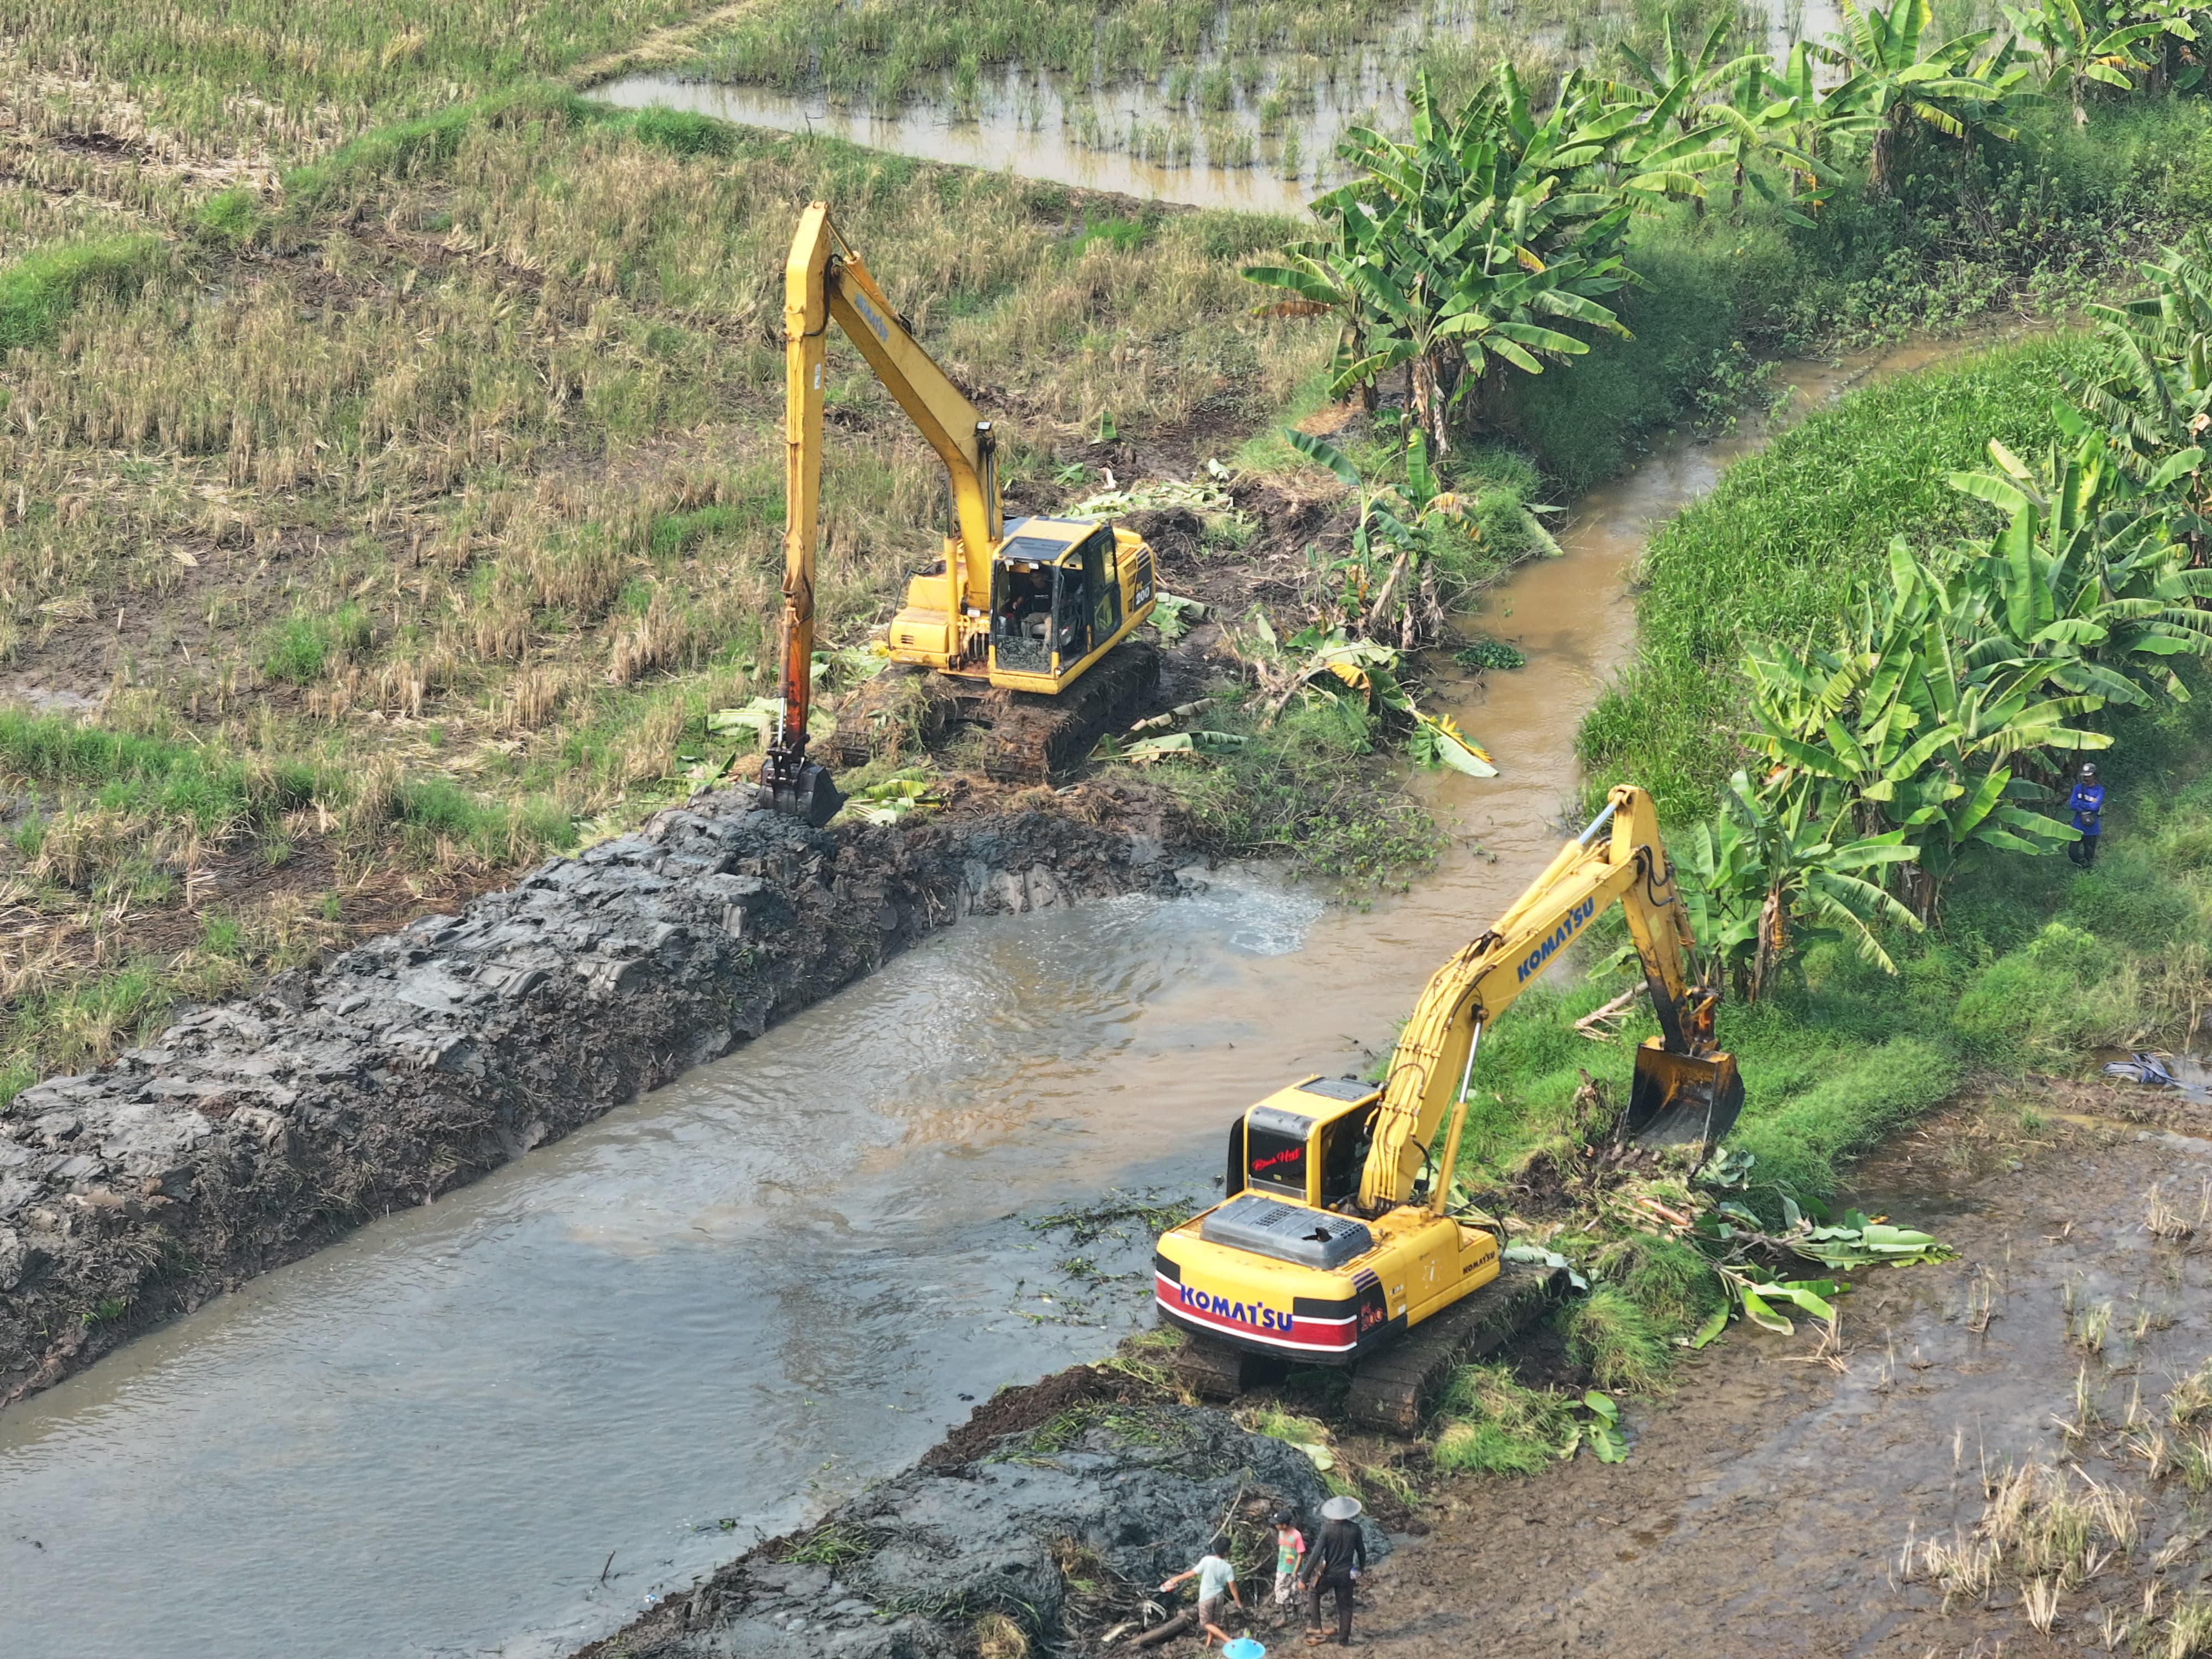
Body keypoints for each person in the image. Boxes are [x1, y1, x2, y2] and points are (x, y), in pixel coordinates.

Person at [1300, 1494, 1367, 1647]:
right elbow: (1362, 1552)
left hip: (1329, 1573)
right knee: (1346, 1607)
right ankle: (1344, 1640)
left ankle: (1316, 1626)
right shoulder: (1355, 1529)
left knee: (1314, 1593)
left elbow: (1316, 1555)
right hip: (1347, 1574)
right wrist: (1359, 1569)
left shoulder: (1328, 1530)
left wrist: (1304, 1577)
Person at [1161, 1537, 1243, 1650]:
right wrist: (1238, 1603)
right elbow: (1232, 1587)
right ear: (1227, 1552)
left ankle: (1229, 1641)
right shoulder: (1228, 1567)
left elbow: (1191, 1573)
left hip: (1207, 1597)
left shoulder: (1207, 1560)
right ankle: (1207, 1646)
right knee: (1214, 1623)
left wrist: (1175, 1579)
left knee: (1205, 1624)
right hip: (1219, 1597)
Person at [2068, 763, 2106, 869]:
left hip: (2092, 829)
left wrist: (2080, 804)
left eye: (2088, 776)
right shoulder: (2078, 788)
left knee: (2089, 855)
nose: (2086, 778)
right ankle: (2084, 866)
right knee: (2072, 852)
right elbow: (2072, 805)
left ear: (2094, 776)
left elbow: (2096, 807)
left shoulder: (2099, 790)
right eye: (2084, 776)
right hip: (2077, 827)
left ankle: (2086, 872)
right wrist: (2087, 806)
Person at [1271, 1511, 1307, 1609]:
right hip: (1282, 1568)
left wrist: (1295, 1572)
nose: (1276, 1526)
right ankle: (1284, 1616)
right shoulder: (1281, 1533)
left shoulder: (1296, 1536)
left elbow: (1300, 1555)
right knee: (1279, 1591)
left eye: (1277, 1524)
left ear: (1284, 1525)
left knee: (1295, 1592)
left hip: (1295, 1569)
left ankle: (1297, 1614)